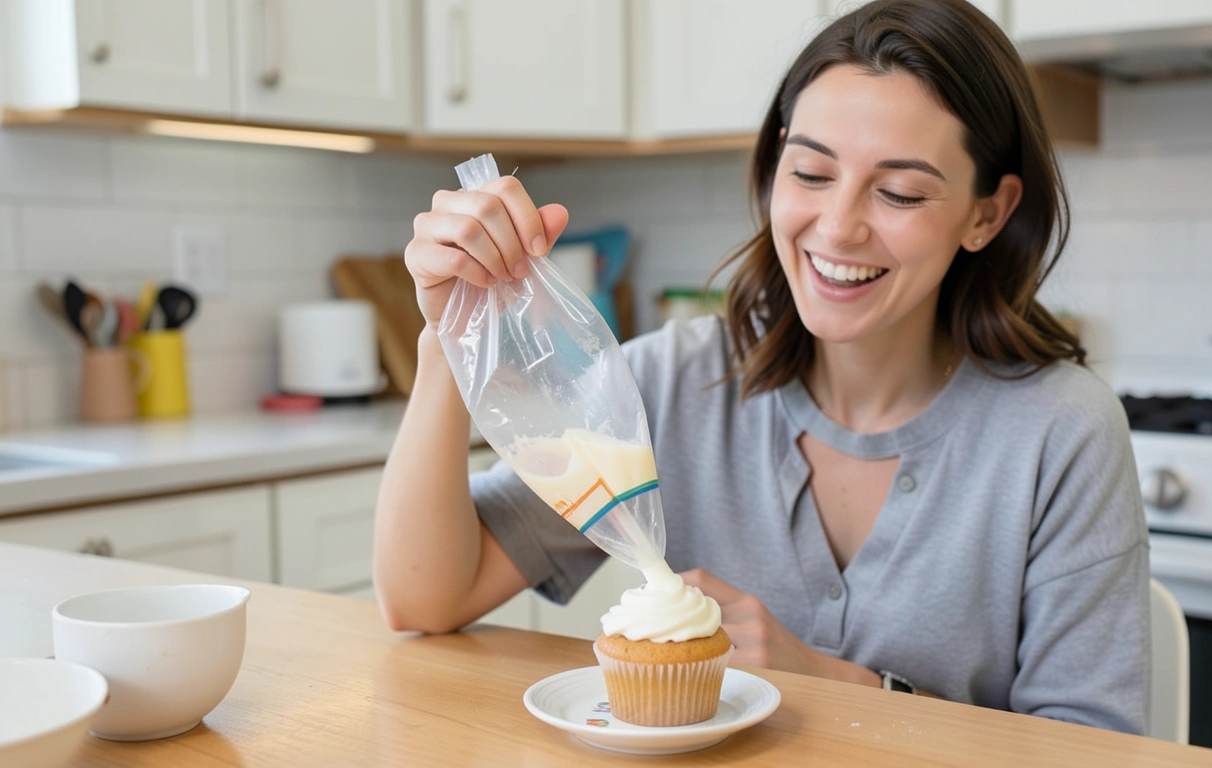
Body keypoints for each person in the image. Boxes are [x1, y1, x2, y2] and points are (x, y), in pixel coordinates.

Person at [374, 0, 1150, 736]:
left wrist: (834, 682)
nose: (838, 228)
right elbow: (422, 598)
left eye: (900, 193)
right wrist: (451, 335)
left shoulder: (1061, 432)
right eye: (810, 173)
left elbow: (1096, 748)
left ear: (987, 213)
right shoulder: (675, 385)